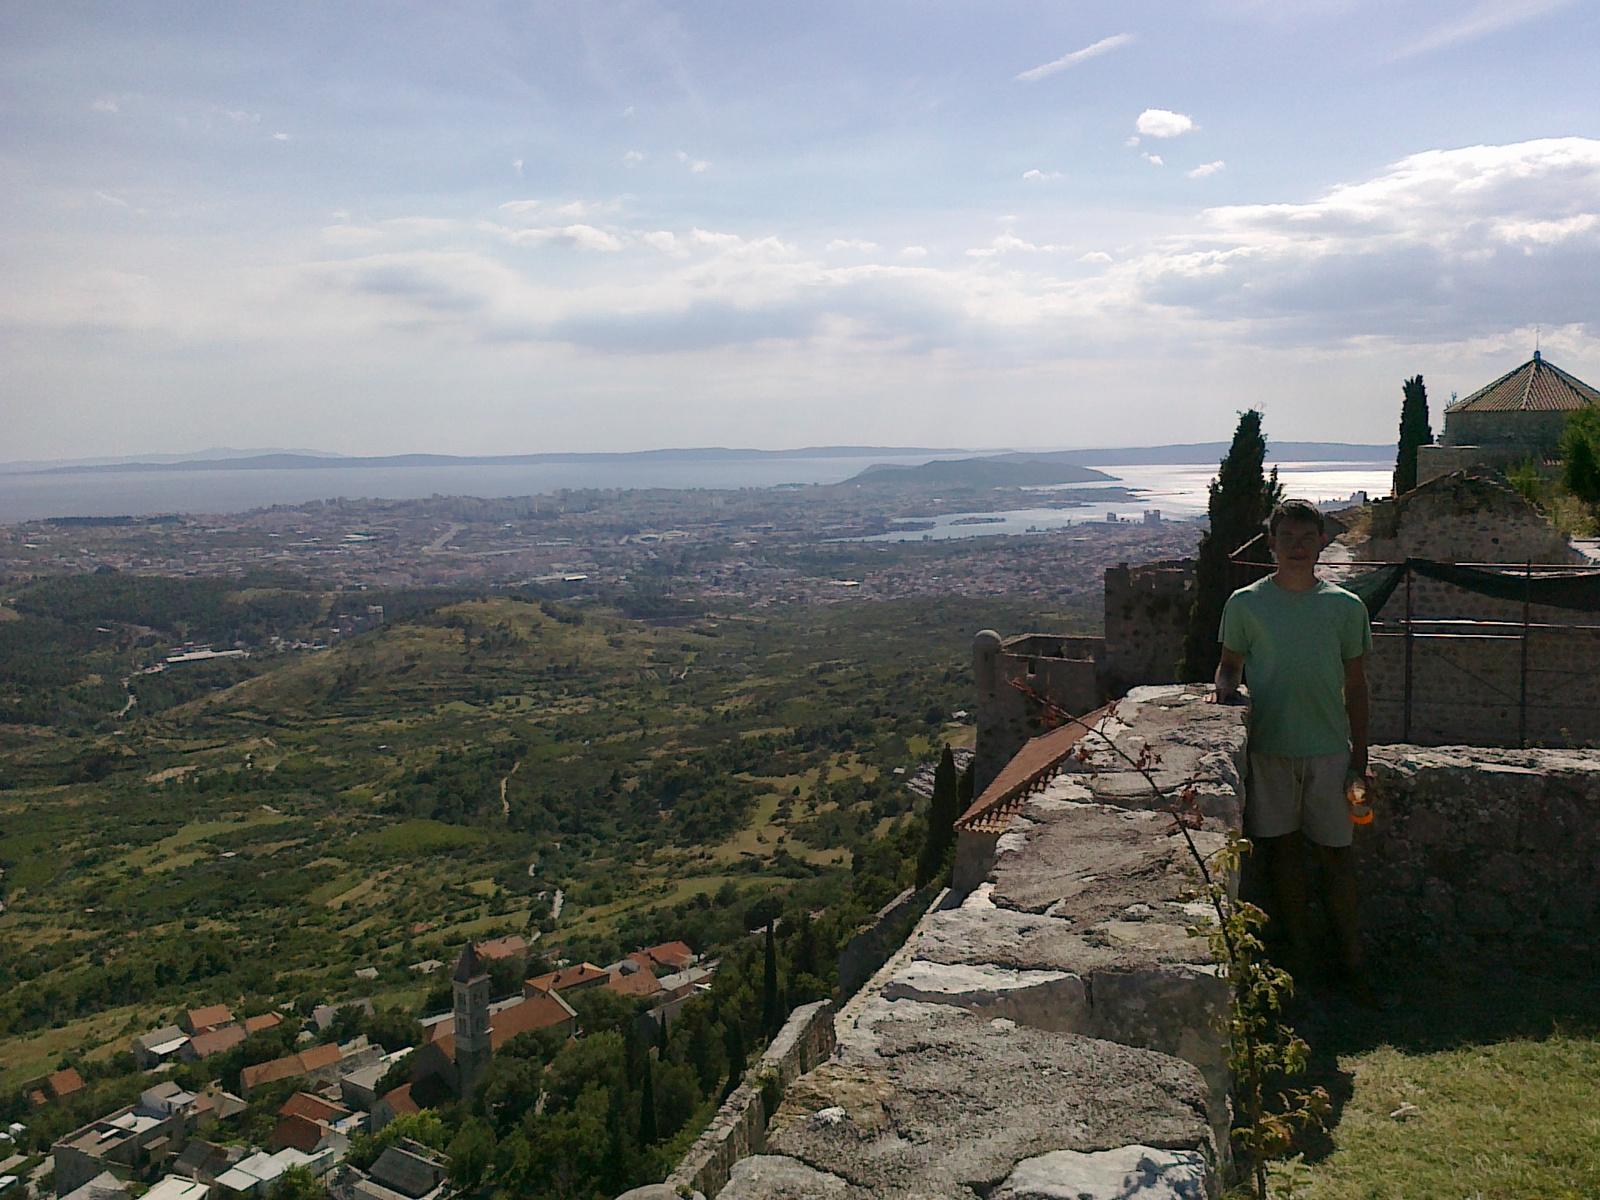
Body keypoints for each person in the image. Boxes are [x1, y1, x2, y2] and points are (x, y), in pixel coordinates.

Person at [1211, 498, 1375, 1004]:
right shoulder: (1245, 603)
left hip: (1330, 752)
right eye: (1289, 539)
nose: (1298, 548)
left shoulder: (1347, 608)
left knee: (1336, 859)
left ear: (1322, 543)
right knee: (1283, 858)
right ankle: (1298, 964)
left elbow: (1357, 685)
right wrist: (1224, 695)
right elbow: (1229, 665)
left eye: (1308, 538)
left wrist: (1360, 757)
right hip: (1269, 751)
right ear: (1272, 544)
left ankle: (1351, 963)